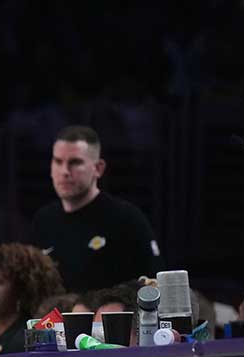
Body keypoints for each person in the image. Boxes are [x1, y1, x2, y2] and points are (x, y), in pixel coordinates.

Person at [30, 125, 163, 292]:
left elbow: (155, 285)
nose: (64, 171)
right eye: (58, 161)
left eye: (75, 162)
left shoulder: (126, 219)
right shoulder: (43, 220)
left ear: (98, 168)